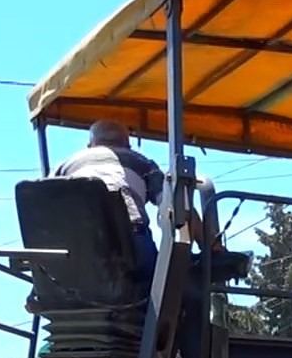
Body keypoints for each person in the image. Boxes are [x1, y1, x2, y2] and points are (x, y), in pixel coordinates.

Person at [53, 118, 212, 283]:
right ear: (127, 145)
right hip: (128, 244)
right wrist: (210, 246)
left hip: (72, 249)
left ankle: (41, 290)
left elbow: (44, 209)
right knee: (167, 285)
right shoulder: (141, 163)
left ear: (90, 145)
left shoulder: (64, 167)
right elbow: (177, 205)